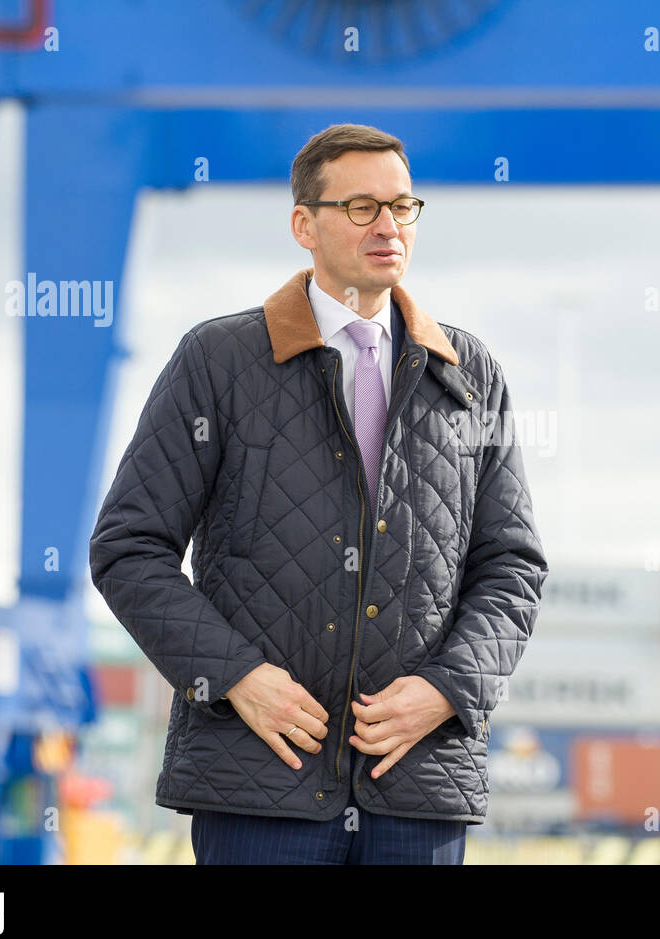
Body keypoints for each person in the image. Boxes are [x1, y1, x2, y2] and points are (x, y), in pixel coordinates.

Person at [88, 123, 547, 864]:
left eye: (403, 206)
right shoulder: (221, 362)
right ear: (304, 223)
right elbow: (128, 548)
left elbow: (513, 567)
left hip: (417, 786)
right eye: (362, 207)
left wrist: (448, 689)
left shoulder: (470, 375)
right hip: (260, 782)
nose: (389, 226)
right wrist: (235, 677)